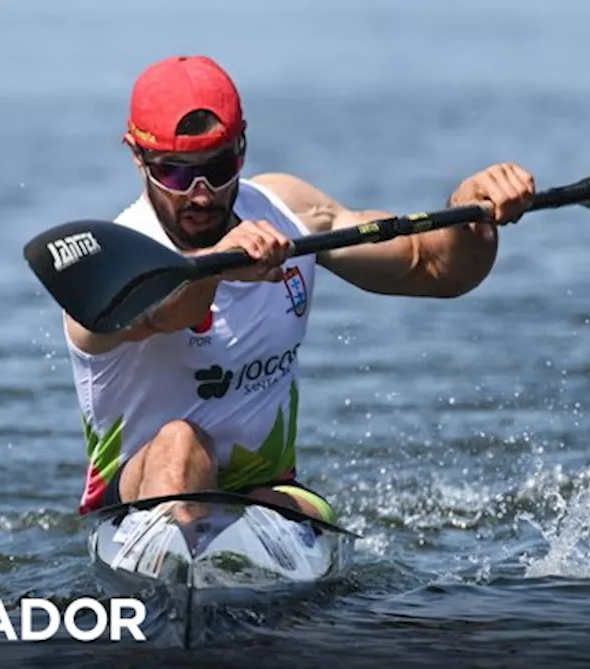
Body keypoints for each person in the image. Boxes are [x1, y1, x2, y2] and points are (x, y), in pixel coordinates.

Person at [65, 55, 536, 524]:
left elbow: (434, 269)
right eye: (177, 173)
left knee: (299, 511)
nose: (202, 194)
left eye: (220, 165)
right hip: (138, 501)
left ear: (242, 148)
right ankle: (180, 558)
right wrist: (216, 267)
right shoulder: (110, 263)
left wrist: (471, 213)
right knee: (179, 444)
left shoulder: (291, 211)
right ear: (136, 156)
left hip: (266, 495)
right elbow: (163, 315)